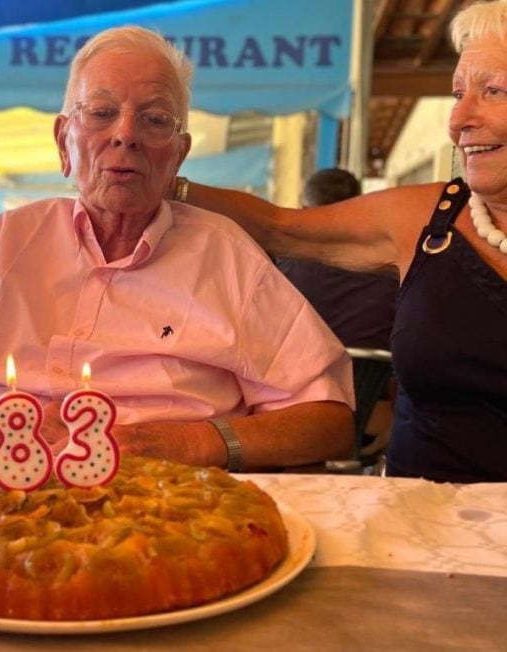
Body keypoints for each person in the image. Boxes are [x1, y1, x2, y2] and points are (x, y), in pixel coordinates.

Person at [0, 25, 355, 472]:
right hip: (2, 495)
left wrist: (196, 441)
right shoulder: (11, 239)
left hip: (175, 507)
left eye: (155, 120)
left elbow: (328, 421)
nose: (126, 135)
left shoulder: (226, 254)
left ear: (177, 155)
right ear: (64, 142)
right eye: (101, 112)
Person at [173, 1, 507, 482]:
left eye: (492, 90)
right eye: (458, 94)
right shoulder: (425, 218)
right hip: (421, 530)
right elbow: (278, 227)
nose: (458, 121)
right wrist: (168, 183)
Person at [275, 168, 398, 351]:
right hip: (369, 378)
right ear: (360, 207)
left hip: (294, 377)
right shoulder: (394, 268)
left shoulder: (277, 272)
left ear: (304, 210)